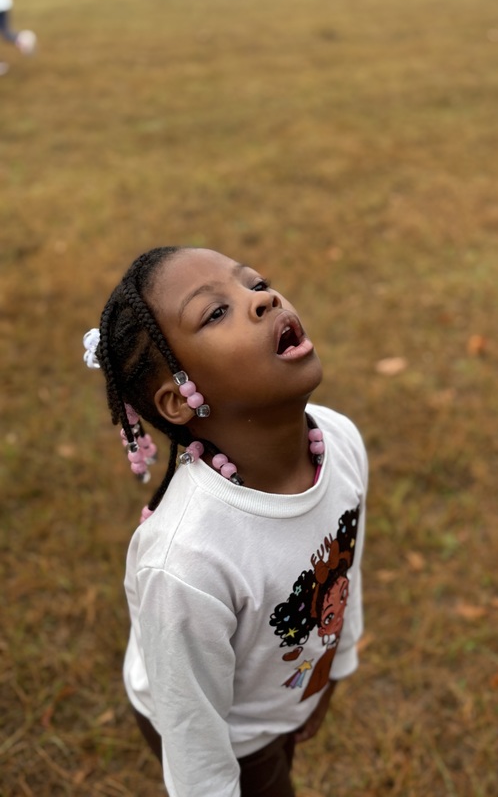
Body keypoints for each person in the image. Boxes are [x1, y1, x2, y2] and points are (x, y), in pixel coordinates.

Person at [83, 246, 368, 797]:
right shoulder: (187, 561)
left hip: (276, 698)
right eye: (215, 312)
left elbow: (346, 564)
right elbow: (194, 745)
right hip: (220, 731)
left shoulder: (340, 440)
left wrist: (332, 671)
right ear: (177, 400)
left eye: (255, 283)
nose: (261, 300)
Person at [0, 0, 36, 75]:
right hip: (4, 3)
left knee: (6, 33)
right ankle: (23, 38)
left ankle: (23, 39)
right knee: (6, 33)